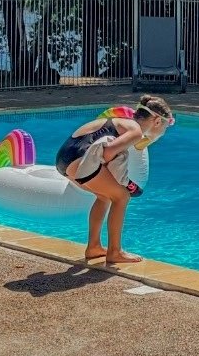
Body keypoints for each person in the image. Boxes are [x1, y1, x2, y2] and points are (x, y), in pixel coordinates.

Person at [53, 96, 175, 264]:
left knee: (104, 196)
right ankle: (115, 252)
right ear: (156, 121)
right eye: (167, 125)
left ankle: (94, 247)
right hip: (79, 160)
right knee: (121, 196)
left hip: (64, 160)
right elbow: (108, 153)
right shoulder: (135, 131)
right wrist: (121, 183)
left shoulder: (123, 123)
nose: (164, 131)